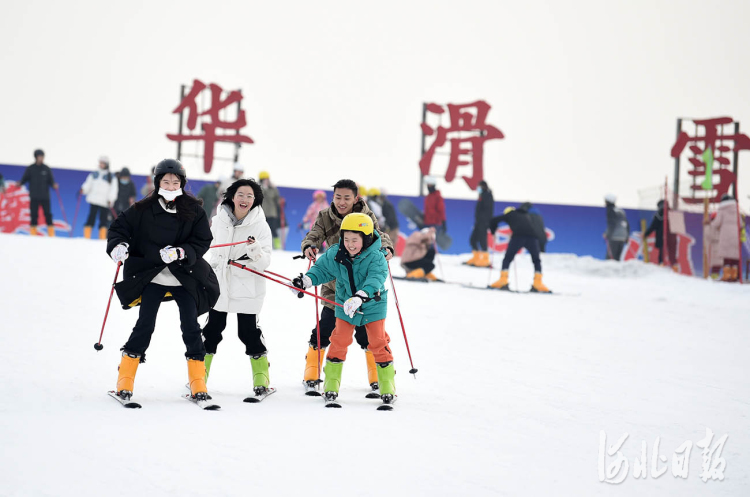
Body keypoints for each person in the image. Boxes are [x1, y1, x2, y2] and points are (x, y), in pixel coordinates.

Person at [106, 159, 220, 403]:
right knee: (145, 324)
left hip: (184, 276)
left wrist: (181, 252)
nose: (170, 185)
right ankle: (125, 379)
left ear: (182, 184)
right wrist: (119, 246)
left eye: (175, 182)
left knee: (190, 326)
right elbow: (118, 228)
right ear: (158, 182)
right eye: (166, 181)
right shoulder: (142, 208)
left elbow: (202, 241)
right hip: (153, 276)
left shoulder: (194, 210)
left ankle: (198, 382)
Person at [300, 179, 394, 395]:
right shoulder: (325, 215)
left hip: (364, 286)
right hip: (336, 283)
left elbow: (381, 236)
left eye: (346, 197)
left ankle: (377, 376)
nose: (341, 202)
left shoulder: (366, 217)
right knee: (325, 328)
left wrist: (387, 248)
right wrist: (310, 245)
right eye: (338, 197)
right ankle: (312, 370)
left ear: (356, 198)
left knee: (366, 334)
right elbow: (314, 234)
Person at [202, 178, 274, 398]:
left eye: (250, 196)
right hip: (220, 283)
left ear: (255, 201)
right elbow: (209, 248)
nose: (244, 199)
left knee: (248, 332)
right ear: (232, 196)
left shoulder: (261, 225)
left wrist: (255, 251)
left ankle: (261, 378)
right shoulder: (218, 220)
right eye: (241, 194)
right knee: (212, 331)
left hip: (247, 286)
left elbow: (265, 262)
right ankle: (198, 377)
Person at [488, 206, 551, 292]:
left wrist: (492, 231)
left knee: (507, 258)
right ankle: (538, 283)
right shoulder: (525, 215)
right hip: (532, 237)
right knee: (536, 260)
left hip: (518, 237)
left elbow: (494, 220)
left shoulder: (510, 214)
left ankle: (503, 280)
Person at [19, 149, 59, 236]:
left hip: (45, 196)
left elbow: (51, 181)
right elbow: (24, 179)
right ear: (36, 157)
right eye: (39, 156)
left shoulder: (46, 168)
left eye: (42, 156)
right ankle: (33, 233)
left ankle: (51, 234)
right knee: (34, 215)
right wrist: (19, 183)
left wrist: (54, 185)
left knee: (48, 214)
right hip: (34, 196)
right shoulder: (31, 168)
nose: (41, 158)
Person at [80, 156, 118, 239]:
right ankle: (86, 237)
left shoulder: (111, 177)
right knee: (91, 218)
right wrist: (84, 189)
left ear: (107, 164)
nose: (101, 165)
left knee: (103, 220)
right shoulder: (94, 174)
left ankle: (102, 237)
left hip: (104, 202)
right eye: (100, 163)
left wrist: (111, 199)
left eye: (103, 163)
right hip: (94, 200)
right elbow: (88, 184)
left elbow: (114, 189)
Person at [706, 194, 741, 282]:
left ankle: (727, 275)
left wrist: (710, 224)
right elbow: (740, 224)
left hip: (726, 235)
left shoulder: (722, 209)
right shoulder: (736, 210)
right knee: (734, 257)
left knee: (727, 257)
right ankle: (734, 275)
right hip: (736, 235)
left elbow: (717, 222)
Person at [464, 180, 494, 267]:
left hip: (484, 222)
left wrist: (485, 222)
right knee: (473, 240)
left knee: (482, 240)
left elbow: (488, 211)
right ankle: (476, 258)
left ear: (484, 186)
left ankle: (485, 260)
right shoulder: (482, 195)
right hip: (478, 222)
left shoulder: (488, 196)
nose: (478, 188)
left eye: (479, 186)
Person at [644, 200, 676, 267]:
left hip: (662, 237)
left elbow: (654, 225)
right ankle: (674, 266)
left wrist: (646, 234)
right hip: (673, 238)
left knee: (662, 253)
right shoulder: (673, 212)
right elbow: (679, 227)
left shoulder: (660, 213)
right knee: (672, 253)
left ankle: (661, 265)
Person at [259, 171, 283, 249]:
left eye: (267, 179)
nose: (266, 181)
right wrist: (263, 188)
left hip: (272, 213)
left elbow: (274, 197)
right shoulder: (258, 187)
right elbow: (260, 195)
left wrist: (267, 188)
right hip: (262, 212)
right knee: (261, 229)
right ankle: (261, 245)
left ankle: (277, 245)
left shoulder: (273, 188)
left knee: (273, 228)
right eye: (264, 179)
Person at [604, 193, 630, 260]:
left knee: (610, 258)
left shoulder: (610, 210)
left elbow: (612, 224)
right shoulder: (621, 211)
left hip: (614, 236)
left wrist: (607, 234)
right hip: (623, 236)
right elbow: (627, 224)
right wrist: (627, 237)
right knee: (617, 258)